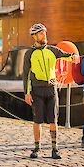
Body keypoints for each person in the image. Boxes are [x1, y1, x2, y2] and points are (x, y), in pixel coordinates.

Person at [23, 23, 78, 159]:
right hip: (37, 90)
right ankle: (36, 148)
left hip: (51, 89)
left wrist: (76, 56)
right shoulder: (29, 54)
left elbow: (67, 56)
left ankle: (55, 149)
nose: (44, 35)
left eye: (45, 33)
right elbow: (26, 74)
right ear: (34, 36)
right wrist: (27, 93)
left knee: (53, 120)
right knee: (37, 121)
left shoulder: (53, 50)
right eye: (41, 33)